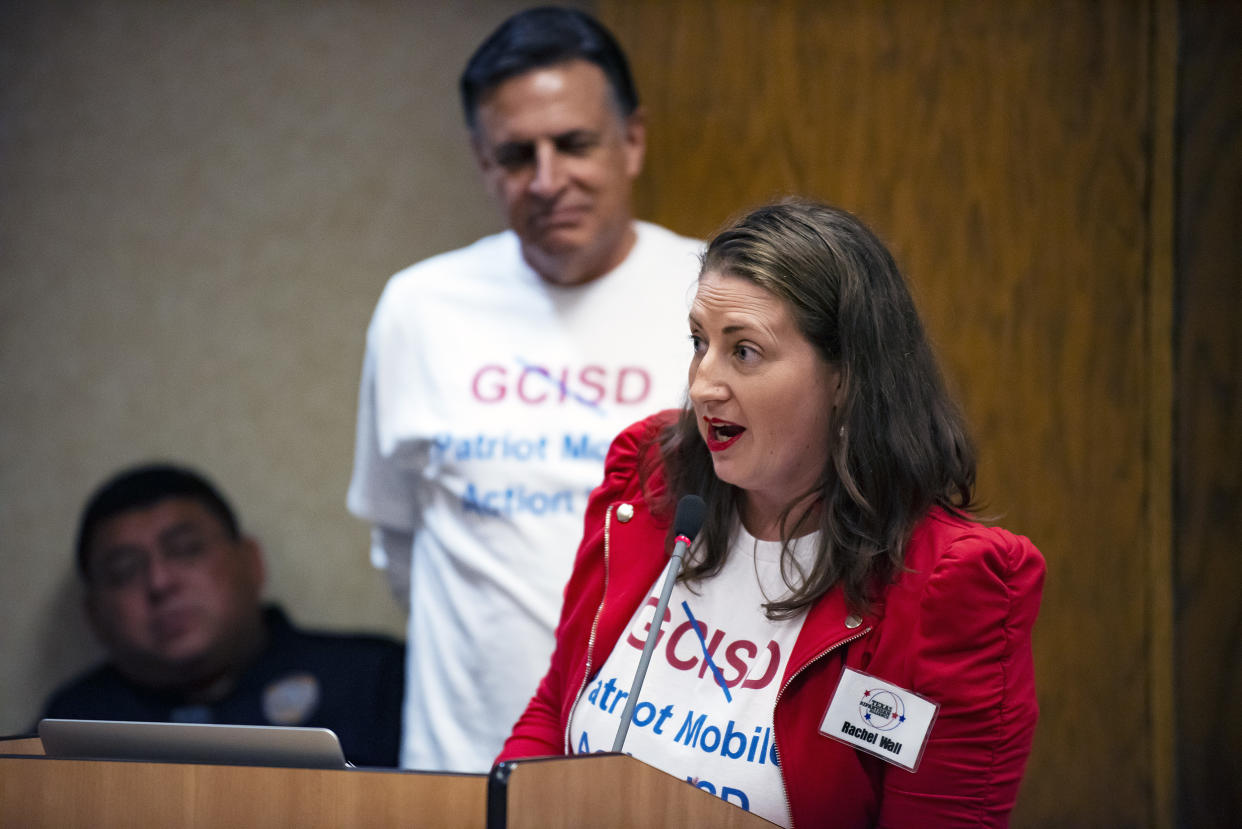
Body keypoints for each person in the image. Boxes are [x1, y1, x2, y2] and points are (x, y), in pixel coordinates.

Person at [499, 200, 1046, 827]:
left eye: (745, 352)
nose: (704, 383)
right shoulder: (649, 482)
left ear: (845, 378)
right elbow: (555, 706)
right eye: (700, 343)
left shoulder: (951, 582)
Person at [347, 7, 701, 771]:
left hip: (657, 773)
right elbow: (399, 538)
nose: (547, 181)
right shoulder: (420, 307)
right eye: (515, 155)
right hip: (459, 767)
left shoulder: (713, 299)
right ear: (482, 162)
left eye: (573, 144)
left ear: (631, 140)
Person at [41, 463, 405, 768]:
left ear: (251, 563)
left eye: (186, 550)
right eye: (124, 571)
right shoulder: (69, 723)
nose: (160, 582)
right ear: (94, 614)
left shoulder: (374, 680)